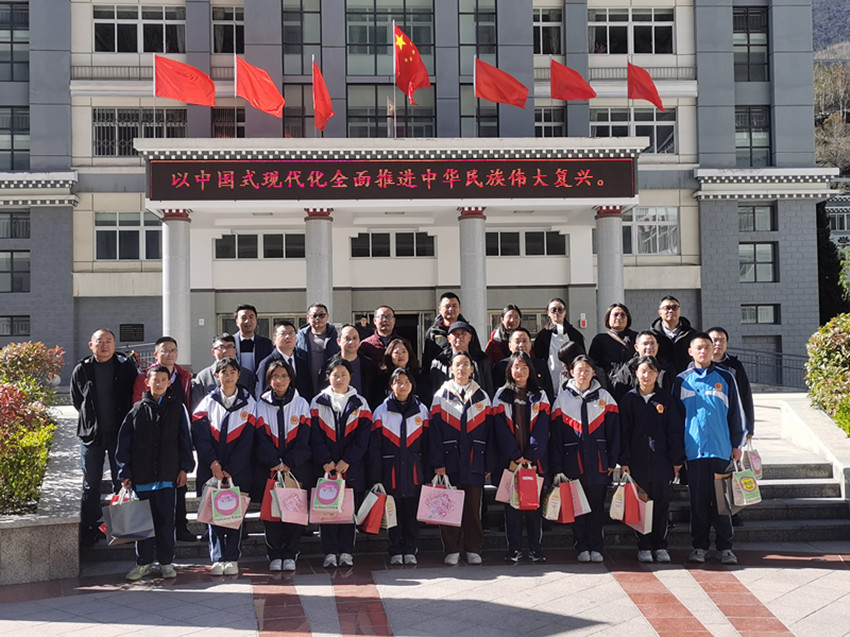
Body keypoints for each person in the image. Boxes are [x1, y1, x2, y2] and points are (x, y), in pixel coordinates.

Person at [672, 333, 747, 566]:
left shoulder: (726, 377)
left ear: (713, 349)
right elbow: (675, 420)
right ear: (690, 352)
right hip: (694, 453)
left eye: (707, 347)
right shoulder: (681, 381)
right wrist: (678, 453)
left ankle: (725, 548)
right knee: (698, 503)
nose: (703, 351)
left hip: (721, 451)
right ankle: (699, 547)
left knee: (722, 503)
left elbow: (737, 414)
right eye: (698, 348)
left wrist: (737, 444)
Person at [116, 365, 194, 580]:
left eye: (163, 379)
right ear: (147, 382)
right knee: (143, 524)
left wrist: (184, 468)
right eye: (155, 379)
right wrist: (125, 472)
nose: (158, 383)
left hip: (168, 477)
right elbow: (124, 445)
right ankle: (143, 562)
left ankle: (166, 562)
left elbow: (185, 441)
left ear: (169, 383)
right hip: (142, 477)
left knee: (166, 522)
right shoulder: (136, 410)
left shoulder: (177, 408)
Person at [71, 328, 138, 546]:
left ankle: (122, 528)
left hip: (120, 434)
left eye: (109, 341)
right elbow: (77, 400)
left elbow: (134, 395)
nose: (104, 345)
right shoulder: (83, 368)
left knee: (123, 481)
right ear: (91, 345)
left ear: (114, 344)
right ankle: (91, 528)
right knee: (91, 484)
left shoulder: (125, 366)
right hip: (92, 436)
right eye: (100, 341)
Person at [549, 354, 619, 563]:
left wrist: (612, 461)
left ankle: (596, 546)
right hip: (572, 463)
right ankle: (581, 546)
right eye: (579, 369)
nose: (583, 373)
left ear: (593, 373)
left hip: (598, 463)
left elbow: (615, 433)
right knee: (577, 507)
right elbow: (556, 437)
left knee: (596, 508)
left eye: (587, 370)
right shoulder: (562, 399)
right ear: (571, 372)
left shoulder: (605, 397)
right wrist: (558, 466)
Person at [192, 357, 256, 576]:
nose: (228, 376)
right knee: (214, 514)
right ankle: (218, 557)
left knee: (234, 515)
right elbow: (201, 436)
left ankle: (232, 557)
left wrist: (232, 468)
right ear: (216, 375)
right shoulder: (208, 402)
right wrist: (213, 463)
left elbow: (248, 440)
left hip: (239, 469)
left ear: (239, 374)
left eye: (232, 372)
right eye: (223, 372)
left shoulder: (249, 403)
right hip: (212, 468)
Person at [429, 351, 494, 566]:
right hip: (450, 462)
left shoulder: (482, 396)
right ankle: (452, 548)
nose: (461, 368)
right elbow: (434, 433)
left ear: (472, 369)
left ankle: (473, 548)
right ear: (451, 369)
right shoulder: (440, 396)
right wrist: (438, 462)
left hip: (475, 461)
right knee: (449, 507)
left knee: (473, 509)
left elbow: (490, 433)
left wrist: (488, 462)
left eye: (466, 364)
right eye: (457, 364)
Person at [618, 355, 685, 563]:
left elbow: (674, 431)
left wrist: (676, 460)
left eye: (651, 371)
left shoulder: (666, 399)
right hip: (637, 464)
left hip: (661, 463)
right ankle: (644, 545)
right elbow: (623, 433)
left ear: (657, 374)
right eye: (643, 371)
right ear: (636, 374)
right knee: (640, 506)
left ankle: (660, 545)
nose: (647, 375)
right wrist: (624, 461)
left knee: (661, 506)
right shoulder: (628, 400)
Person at [309, 356, 372, 568]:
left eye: (343, 375)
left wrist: (348, 460)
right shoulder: (317, 402)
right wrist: (325, 460)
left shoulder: (360, 403)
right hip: (326, 468)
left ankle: (346, 551)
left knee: (348, 511)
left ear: (350, 377)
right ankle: (329, 552)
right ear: (328, 377)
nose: (339, 379)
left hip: (351, 468)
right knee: (326, 511)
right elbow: (314, 435)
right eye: (335, 375)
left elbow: (363, 437)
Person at [131, 336, 195, 542]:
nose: (169, 354)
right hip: (150, 441)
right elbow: (138, 408)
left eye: (173, 350)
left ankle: (181, 527)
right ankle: (150, 541)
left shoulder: (184, 376)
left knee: (180, 487)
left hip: (174, 438)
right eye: (164, 350)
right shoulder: (145, 378)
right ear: (156, 354)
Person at [254, 360, 312, 572]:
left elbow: (305, 438)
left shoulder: (301, 404)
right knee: (272, 514)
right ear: (269, 380)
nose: (279, 380)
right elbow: (260, 438)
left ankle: (291, 552)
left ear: (291, 379)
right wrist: (274, 462)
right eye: (275, 376)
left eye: (284, 376)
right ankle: (274, 553)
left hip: (294, 469)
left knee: (293, 512)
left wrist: (289, 462)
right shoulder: (260, 405)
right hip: (269, 469)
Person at [492, 351, 550, 563]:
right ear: (510, 370)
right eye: (516, 367)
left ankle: (536, 549)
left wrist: (531, 455)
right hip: (510, 462)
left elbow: (543, 428)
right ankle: (513, 549)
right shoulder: (500, 395)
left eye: (524, 367)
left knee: (534, 507)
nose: (520, 371)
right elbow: (500, 429)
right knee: (512, 508)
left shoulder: (540, 395)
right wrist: (516, 456)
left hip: (534, 462)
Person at [369, 368, 430, 565]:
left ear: (412, 385)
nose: (402, 386)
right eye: (398, 382)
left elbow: (427, 445)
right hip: (390, 472)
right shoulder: (381, 411)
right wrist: (376, 476)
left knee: (411, 513)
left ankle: (410, 548)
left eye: (406, 382)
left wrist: (428, 472)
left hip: (414, 471)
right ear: (391, 385)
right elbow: (374, 448)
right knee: (392, 513)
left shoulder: (422, 410)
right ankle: (395, 549)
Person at [707, 327, 755, 439]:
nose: (718, 343)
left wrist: (749, 427)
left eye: (722, 340)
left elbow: (745, 395)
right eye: (715, 340)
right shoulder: (698, 365)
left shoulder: (734, 366)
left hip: (731, 419)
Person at [191, 333, 257, 410]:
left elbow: (253, 406)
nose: (225, 351)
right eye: (221, 347)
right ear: (213, 351)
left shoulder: (246, 375)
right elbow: (196, 407)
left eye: (229, 346)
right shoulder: (203, 377)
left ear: (235, 350)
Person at [429, 321, 494, 397]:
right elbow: (434, 391)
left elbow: (489, 388)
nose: (459, 336)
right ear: (449, 338)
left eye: (463, 333)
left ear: (470, 337)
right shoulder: (439, 362)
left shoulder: (482, 360)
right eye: (455, 333)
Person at [320, 324, 378, 408]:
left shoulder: (369, 366)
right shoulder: (328, 366)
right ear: (338, 341)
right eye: (347, 338)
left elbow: (375, 394)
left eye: (355, 338)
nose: (351, 342)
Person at [423, 292, 482, 372]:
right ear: (440, 309)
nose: (451, 309)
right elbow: (427, 360)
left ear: (459, 308)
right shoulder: (433, 332)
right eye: (447, 306)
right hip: (441, 374)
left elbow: (477, 355)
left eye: (454, 306)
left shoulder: (469, 330)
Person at [609, 331, 676, 402]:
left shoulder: (667, 368)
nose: (649, 347)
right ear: (636, 347)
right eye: (645, 344)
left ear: (657, 346)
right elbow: (620, 395)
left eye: (652, 343)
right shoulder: (628, 369)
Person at [491, 327, 554, 402]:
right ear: (510, 346)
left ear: (530, 344)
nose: (521, 345)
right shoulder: (500, 366)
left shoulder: (541, 365)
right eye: (517, 342)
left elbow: (549, 391)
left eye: (524, 341)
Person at [534, 297, 585, 386]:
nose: (557, 313)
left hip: (572, 376)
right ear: (548, 313)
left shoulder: (575, 334)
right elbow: (538, 357)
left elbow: (582, 356)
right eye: (553, 310)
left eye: (560, 310)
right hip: (549, 375)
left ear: (565, 312)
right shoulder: (542, 335)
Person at [295, 303, 340, 401]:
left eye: (321, 315)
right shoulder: (299, 338)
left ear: (327, 317)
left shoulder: (335, 338)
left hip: (329, 388)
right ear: (308, 318)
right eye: (314, 316)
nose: (318, 318)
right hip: (305, 387)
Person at [256, 321, 309, 399]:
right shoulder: (267, 363)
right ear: (274, 340)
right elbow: (262, 394)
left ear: (296, 338)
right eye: (283, 334)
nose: (287, 337)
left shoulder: (302, 363)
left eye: (291, 333)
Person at [589, 303, 638, 384]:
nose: (619, 317)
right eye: (616, 315)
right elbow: (593, 363)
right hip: (608, 383)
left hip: (631, 382)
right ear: (608, 318)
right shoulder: (600, 339)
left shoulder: (636, 338)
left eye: (623, 315)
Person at [650, 296, 698, 372]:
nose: (671, 311)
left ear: (680, 311)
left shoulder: (692, 335)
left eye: (674, 308)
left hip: (686, 376)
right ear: (660, 312)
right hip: (659, 377)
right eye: (667, 308)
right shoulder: (652, 336)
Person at [375, 337, 428, 402]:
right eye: (396, 352)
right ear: (390, 355)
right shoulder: (382, 378)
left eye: (404, 352)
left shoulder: (418, 376)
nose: (400, 355)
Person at [233, 304, 274, 373]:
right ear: (237, 322)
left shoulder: (266, 344)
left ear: (256, 320)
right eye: (243, 318)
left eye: (251, 317)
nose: (247, 321)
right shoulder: (230, 342)